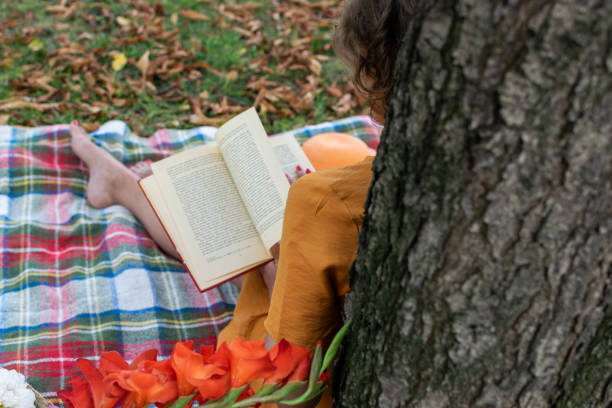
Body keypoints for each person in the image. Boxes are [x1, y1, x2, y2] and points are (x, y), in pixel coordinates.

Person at [69, 0, 412, 406]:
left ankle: (123, 186)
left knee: (246, 243)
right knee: (259, 234)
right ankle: (123, 185)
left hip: (315, 375)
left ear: (373, 72)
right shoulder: (393, 177)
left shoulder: (326, 201)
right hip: (336, 295)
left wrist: (275, 271)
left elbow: (282, 380)